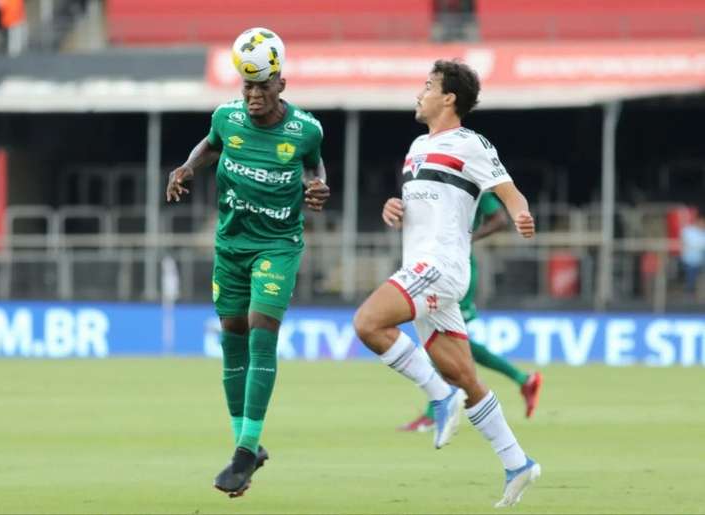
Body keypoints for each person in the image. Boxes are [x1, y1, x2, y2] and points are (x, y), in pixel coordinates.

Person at [353, 59, 540, 508]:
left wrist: (520, 213)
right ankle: (518, 464)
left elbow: (509, 191)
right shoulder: (417, 146)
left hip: (441, 268)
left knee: (367, 324)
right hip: (421, 266)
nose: (420, 92)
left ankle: (439, 397)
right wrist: (394, 209)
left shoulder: (469, 143)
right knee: (467, 378)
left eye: (427, 85)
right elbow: (429, 209)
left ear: (449, 97)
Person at [165, 28, 329, 498]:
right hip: (231, 245)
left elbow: (315, 166)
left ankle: (244, 452)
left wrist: (319, 186)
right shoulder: (227, 117)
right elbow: (211, 144)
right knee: (232, 336)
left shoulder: (305, 129)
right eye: (248, 87)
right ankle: (247, 444)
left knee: (261, 330)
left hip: (277, 245)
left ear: (281, 85)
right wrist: (186, 168)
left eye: (263, 87)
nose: (254, 96)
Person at [399, 192, 543, 433]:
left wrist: (467, 239)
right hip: (433, 266)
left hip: (455, 269)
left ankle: (436, 411)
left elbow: (498, 218)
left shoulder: (470, 180)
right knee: (445, 339)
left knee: (444, 338)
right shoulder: (435, 180)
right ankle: (523, 379)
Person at [680, 210, 705, 294]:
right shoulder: (688, 230)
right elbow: (684, 243)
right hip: (689, 260)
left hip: (701, 260)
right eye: (702, 222)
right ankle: (689, 292)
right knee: (691, 276)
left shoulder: (703, 233)